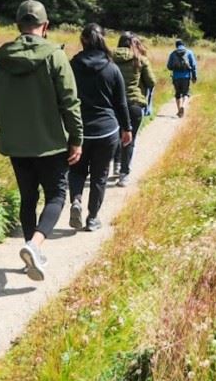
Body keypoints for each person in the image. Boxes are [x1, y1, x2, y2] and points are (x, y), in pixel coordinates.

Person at [0, 0, 84, 280]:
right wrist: (76, 139)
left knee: (28, 197)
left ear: (18, 26)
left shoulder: (1, 57)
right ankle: (34, 245)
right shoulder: (55, 55)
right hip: (50, 143)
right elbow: (70, 102)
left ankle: (29, 255)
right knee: (57, 195)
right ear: (46, 26)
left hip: (15, 144)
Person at [67, 24, 132, 231]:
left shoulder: (71, 66)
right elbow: (121, 103)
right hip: (106, 131)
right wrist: (127, 128)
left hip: (79, 130)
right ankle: (92, 218)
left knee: (76, 171)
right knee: (99, 176)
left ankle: (76, 200)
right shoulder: (112, 68)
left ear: (83, 40)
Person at [111, 31, 156, 186]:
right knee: (129, 139)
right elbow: (151, 82)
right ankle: (124, 174)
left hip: (113, 104)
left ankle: (115, 166)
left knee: (115, 135)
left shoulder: (110, 58)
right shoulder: (140, 59)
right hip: (134, 103)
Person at [167, 39, 198, 118]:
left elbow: (169, 66)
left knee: (178, 94)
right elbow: (193, 65)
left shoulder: (173, 53)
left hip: (176, 77)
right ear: (184, 45)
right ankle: (183, 106)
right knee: (186, 93)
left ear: (176, 45)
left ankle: (179, 111)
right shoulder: (189, 52)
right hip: (186, 77)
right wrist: (194, 76)